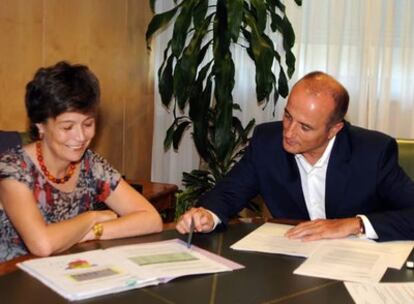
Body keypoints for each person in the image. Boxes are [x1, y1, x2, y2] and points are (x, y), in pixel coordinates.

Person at [176, 71, 414, 242]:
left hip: (359, 263)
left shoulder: (372, 152)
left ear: (334, 130)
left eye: (305, 127)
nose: (288, 133)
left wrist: (354, 224)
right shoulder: (267, 142)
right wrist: (207, 214)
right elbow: (229, 192)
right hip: (292, 264)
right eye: (288, 116)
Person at [0, 61, 162, 262]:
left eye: (88, 124)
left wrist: (93, 231)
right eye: (67, 127)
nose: (80, 137)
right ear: (41, 125)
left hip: (67, 270)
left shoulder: (89, 164)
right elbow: (43, 244)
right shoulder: (13, 170)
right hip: (13, 279)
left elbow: (151, 219)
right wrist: (92, 217)